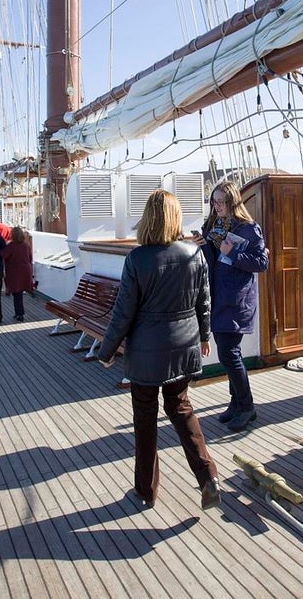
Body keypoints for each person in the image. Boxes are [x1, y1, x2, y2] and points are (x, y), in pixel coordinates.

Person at [97, 190, 220, 511]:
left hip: (147, 353)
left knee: (145, 418)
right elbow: (203, 302)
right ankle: (208, 476)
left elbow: (124, 312)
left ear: (148, 218)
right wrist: (204, 336)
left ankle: (146, 490)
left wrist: (107, 350)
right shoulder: (195, 255)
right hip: (184, 345)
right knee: (180, 408)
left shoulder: (137, 259)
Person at [190, 180, 269, 432]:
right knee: (228, 353)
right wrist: (203, 246)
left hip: (236, 299)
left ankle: (247, 407)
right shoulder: (212, 226)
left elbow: (261, 262)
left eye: (222, 201)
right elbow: (213, 262)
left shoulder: (248, 229)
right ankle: (236, 404)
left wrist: (233, 253)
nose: (217, 205)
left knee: (229, 354)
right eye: (214, 201)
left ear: (233, 201)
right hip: (218, 296)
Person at [1, 226, 33, 322]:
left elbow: (3, 255)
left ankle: (19, 313)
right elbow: (30, 258)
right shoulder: (26, 246)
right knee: (20, 292)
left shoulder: (11, 246)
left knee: (17, 293)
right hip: (25, 271)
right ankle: (19, 312)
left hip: (15, 272)